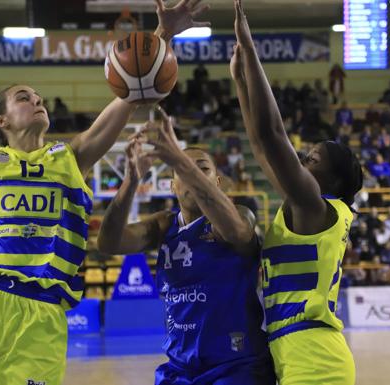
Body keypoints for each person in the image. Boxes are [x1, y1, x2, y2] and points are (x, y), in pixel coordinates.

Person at [0, 2, 208, 384]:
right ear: (0, 121)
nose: (37, 101)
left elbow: (132, 88)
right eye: (24, 97)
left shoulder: (71, 157)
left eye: (39, 98)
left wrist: (161, 36)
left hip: (42, 313)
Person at [230, 1, 362, 384]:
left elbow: (273, 136)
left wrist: (251, 51)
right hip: (292, 351)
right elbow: (258, 144)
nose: (303, 159)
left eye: (313, 160)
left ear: (331, 182)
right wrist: (240, 81)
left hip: (314, 358)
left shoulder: (314, 206)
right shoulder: (303, 208)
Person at [97, 108, 274, 385]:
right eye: (183, 169)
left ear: (217, 182)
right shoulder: (164, 226)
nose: (193, 174)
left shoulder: (241, 214)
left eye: (202, 168)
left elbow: (235, 233)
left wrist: (180, 159)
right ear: (172, 186)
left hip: (237, 366)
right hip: (180, 368)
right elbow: (108, 242)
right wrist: (131, 182)